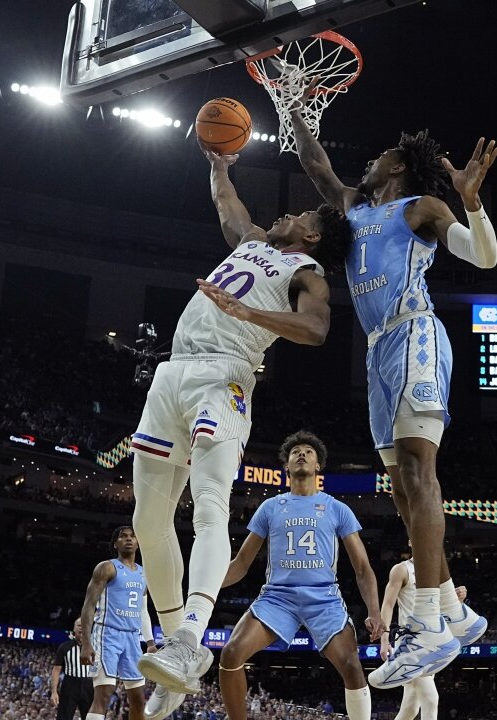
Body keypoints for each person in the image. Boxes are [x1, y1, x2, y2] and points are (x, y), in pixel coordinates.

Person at [133, 147, 351, 718]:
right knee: (147, 522)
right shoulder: (255, 242)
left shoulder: (308, 273)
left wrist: (249, 314)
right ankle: (176, 647)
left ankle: (189, 639)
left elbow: (316, 328)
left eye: (302, 214)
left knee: (209, 506)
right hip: (173, 372)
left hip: (225, 377)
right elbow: (227, 207)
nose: (290, 213)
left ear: (311, 236)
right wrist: (219, 164)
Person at [289, 108, 497, 686]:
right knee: (402, 489)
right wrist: (294, 103)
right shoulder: (356, 207)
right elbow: (315, 164)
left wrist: (471, 202)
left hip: (415, 334)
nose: (371, 160)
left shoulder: (420, 209)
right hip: (378, 348)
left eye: (382, 154)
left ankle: (426, 625)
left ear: (400, 164)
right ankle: (455, 609)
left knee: (416, 469)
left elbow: (483, 256)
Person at [218, 431, 385, 720]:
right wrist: (202, 590)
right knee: (230, 654)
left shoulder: (337, 508)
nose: (302, 454)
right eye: (295, 452)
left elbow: (363, 568)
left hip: (323, 599)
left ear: (318, 465)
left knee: (352, 665)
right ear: (287, 466)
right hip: (277, 598)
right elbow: (241, 563)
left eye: (308, 451)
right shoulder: (270, 507)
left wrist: (374, 611)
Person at [74, 527, 158, 720]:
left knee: (138, 699)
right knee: (104, 694)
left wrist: (151, 643)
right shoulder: (107, 567)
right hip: (107, 635)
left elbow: (142, 610)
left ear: (138, 542)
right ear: (115, 544)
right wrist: (86, 643)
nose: (128, 539)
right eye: (123, 536)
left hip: (132, 638)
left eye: (132, 536)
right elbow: (89, 605)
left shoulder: (145, 574)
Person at [379, 547, 469, 720]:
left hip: (432, 642)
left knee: (410, 709)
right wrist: (384, 638)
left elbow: (440, 611)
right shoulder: (402, 569)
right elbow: (388, 605)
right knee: (430, 699)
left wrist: (457, 601)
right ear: (411, 541)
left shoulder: (437, 573)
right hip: (410, 644)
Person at [52, 619, 95, 720]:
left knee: (90, 717)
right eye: (79, 625)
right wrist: (54, 691)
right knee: (64, 716)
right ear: (74, 629)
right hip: (70, 683)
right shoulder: (65, 647)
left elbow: (98, 667)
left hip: (89, 684)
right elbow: (56, 669)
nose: (81, 627)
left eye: (84, 625)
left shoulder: (95, 646)